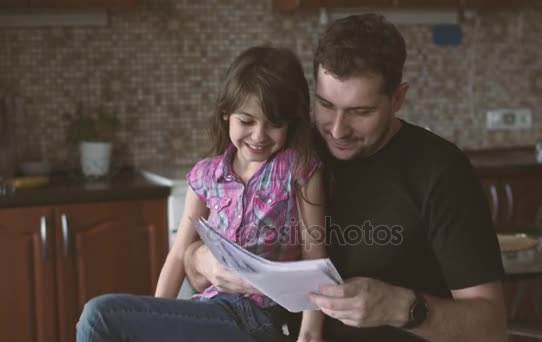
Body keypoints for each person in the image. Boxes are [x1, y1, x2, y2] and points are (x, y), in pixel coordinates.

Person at [183, 13, 507, 342]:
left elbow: (491, 327)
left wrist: (401, 307)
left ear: (398, 99)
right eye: (326, 104)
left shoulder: (442, 171)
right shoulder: (286, 153)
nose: (337, 130)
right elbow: (205, 276)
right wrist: (199, 261)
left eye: (360, 112)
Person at [76, 45, 328, 342]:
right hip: (208, 311)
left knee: (99, 317)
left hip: (257, 321)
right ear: (226, 115)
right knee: (100, 319)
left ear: (290, 123)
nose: (259, 135)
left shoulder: (298, 169)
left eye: (274, 124)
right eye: (246, 121)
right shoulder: (205, 176)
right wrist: (156, 320)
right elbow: (180, 254)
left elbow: (315, 258)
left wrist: (310, 334)